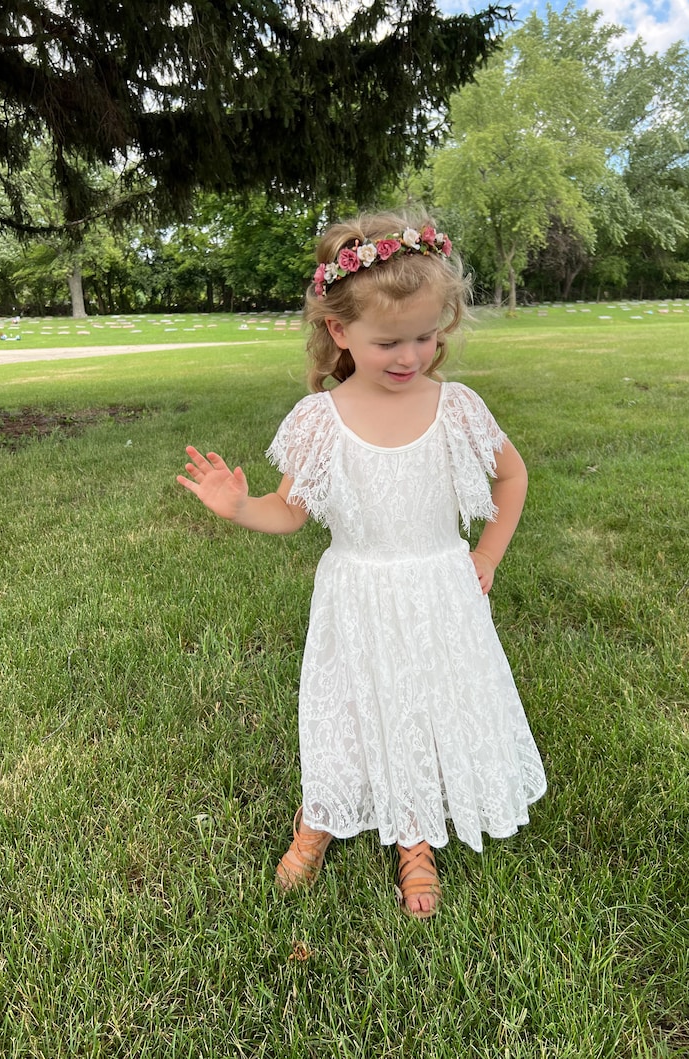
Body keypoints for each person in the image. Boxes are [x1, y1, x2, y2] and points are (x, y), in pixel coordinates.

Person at [177, 211, 546, 918]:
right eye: (390, 340)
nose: (412, 354)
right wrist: (240, 505)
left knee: (424, 700)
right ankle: (323, 808)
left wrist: (487, 553)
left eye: (427, 334)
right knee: (346, 706)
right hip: (357, 590)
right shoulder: (322, 419)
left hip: (438, 586)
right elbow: (290, 511)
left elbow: (513, 478)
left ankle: (415, 834)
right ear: (340, 331)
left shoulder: (458, 408)